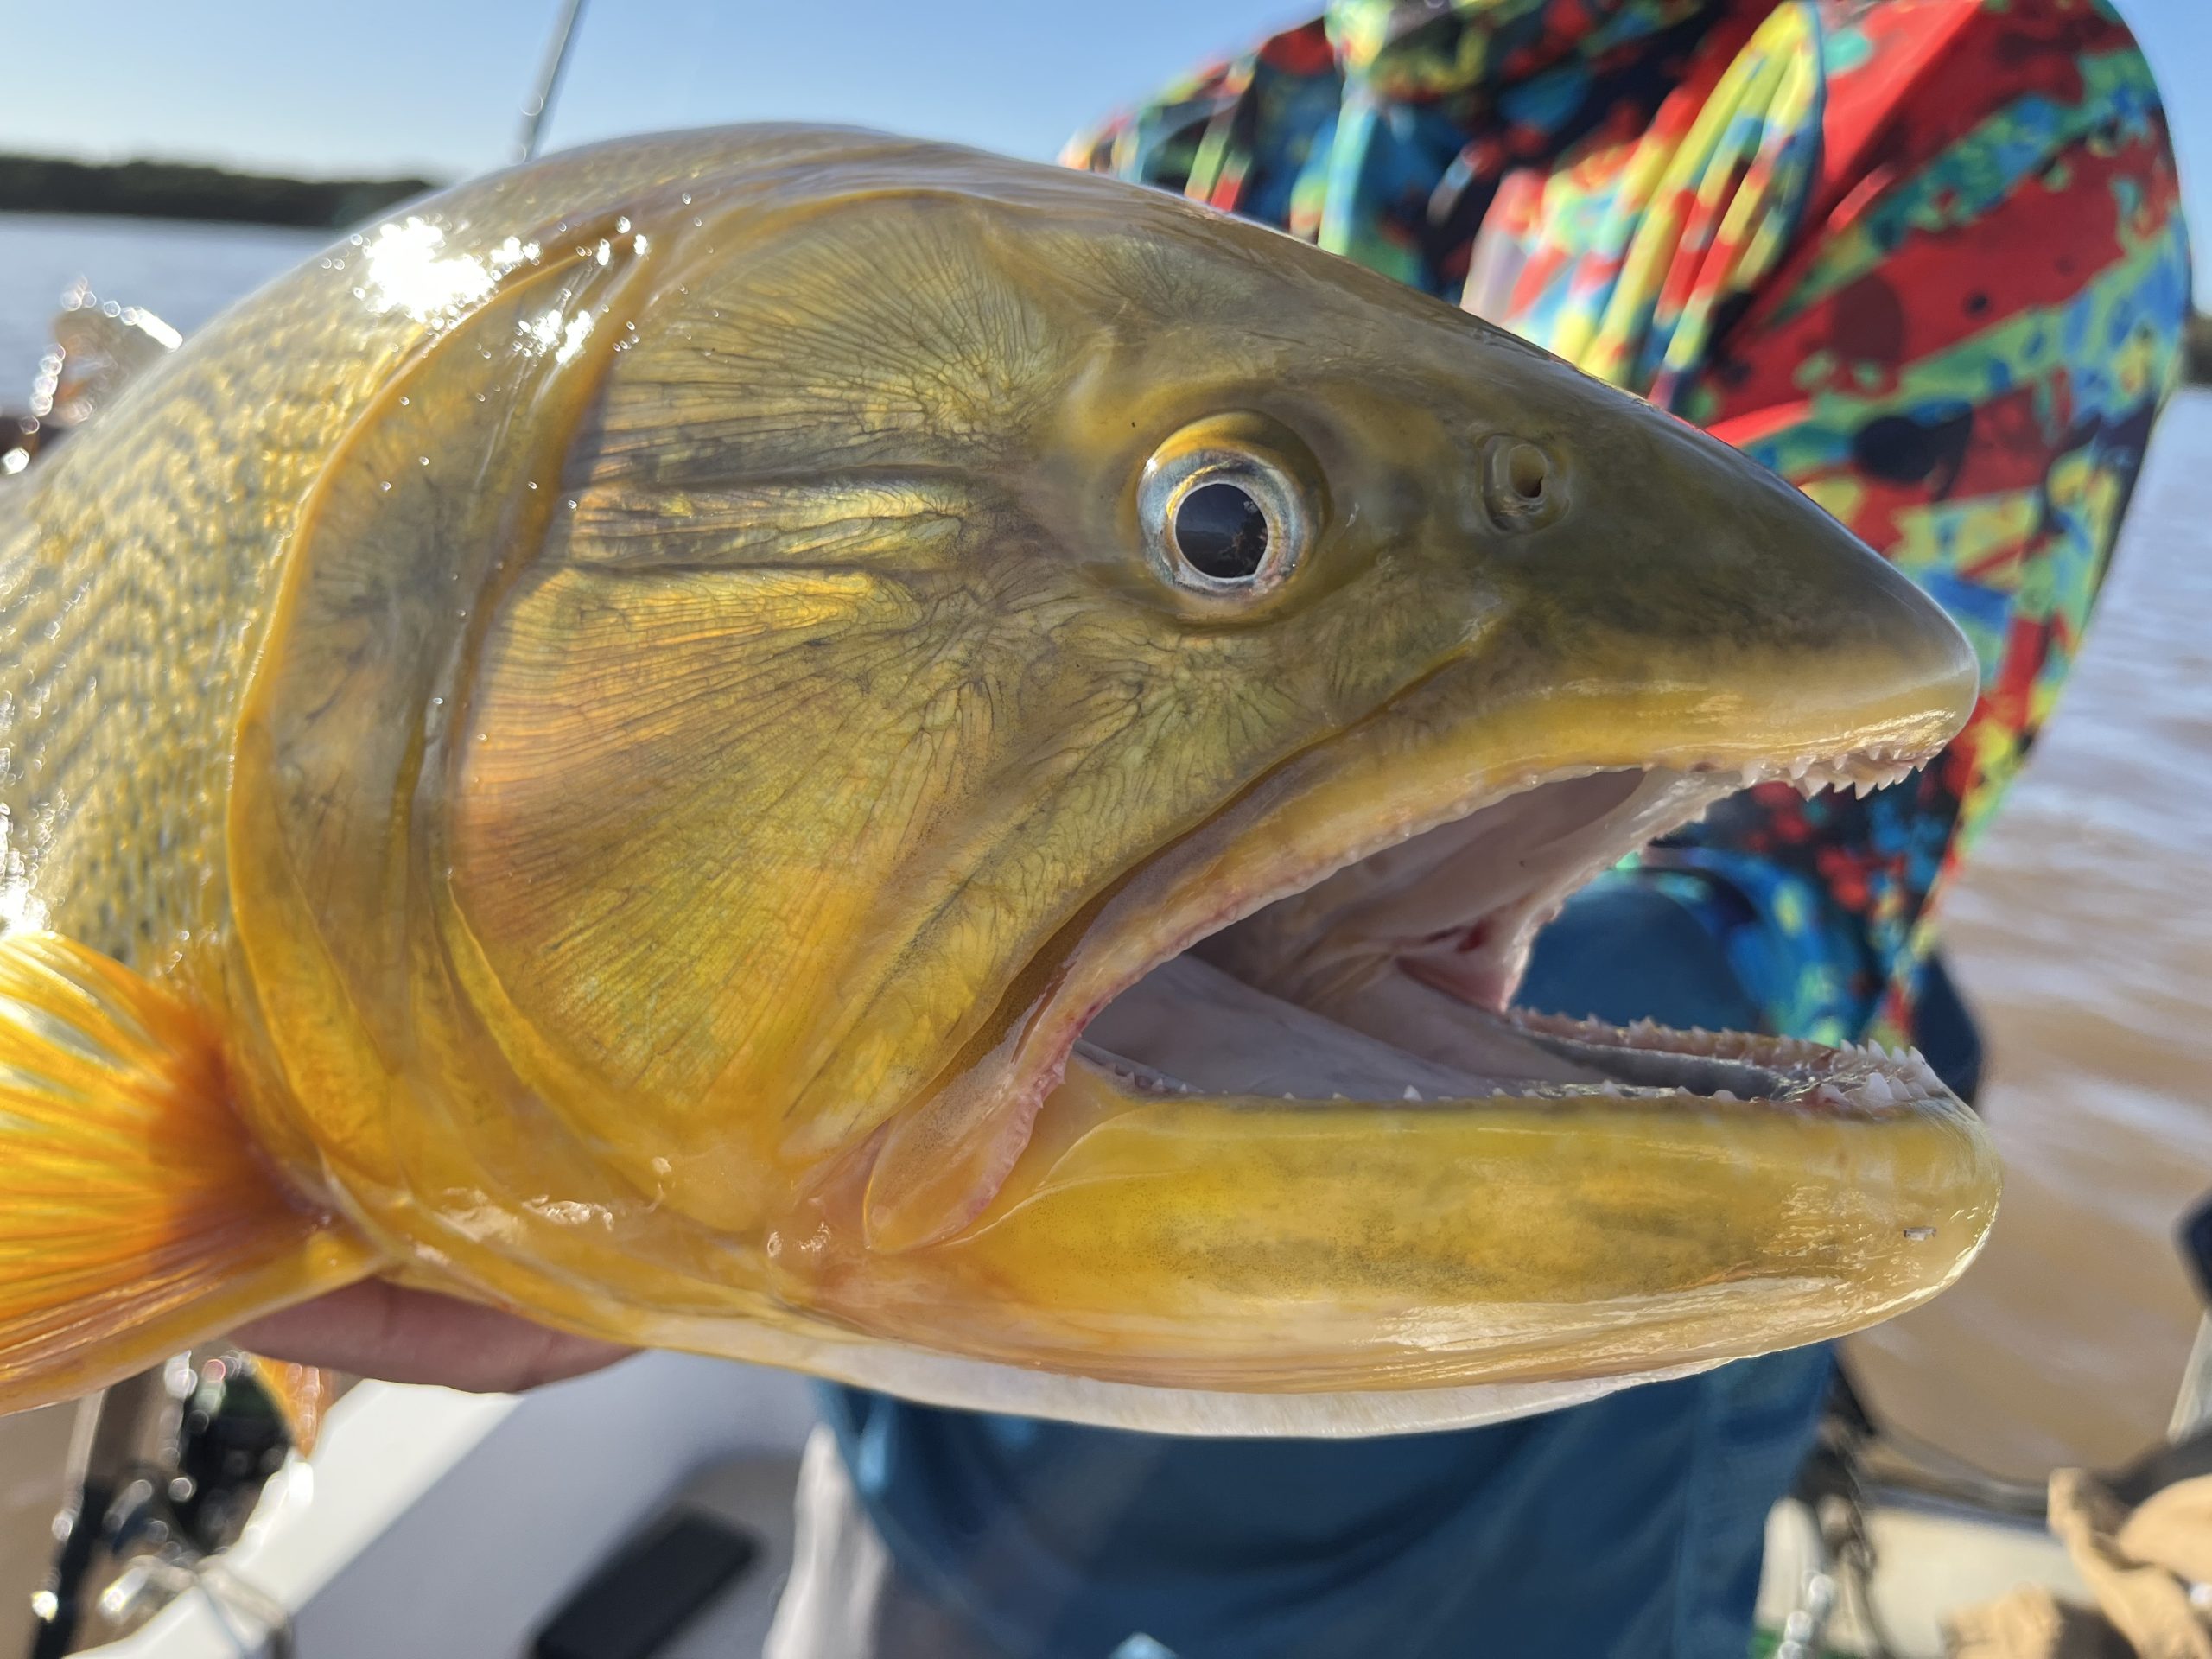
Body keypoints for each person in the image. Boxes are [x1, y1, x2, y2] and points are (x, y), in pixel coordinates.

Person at [244, 1, 2190, 1653]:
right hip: (905, 1287)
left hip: (1536, 1363)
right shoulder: (1195, 133)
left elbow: (1804, 820)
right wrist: (569, 1119)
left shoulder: (1952, 77)